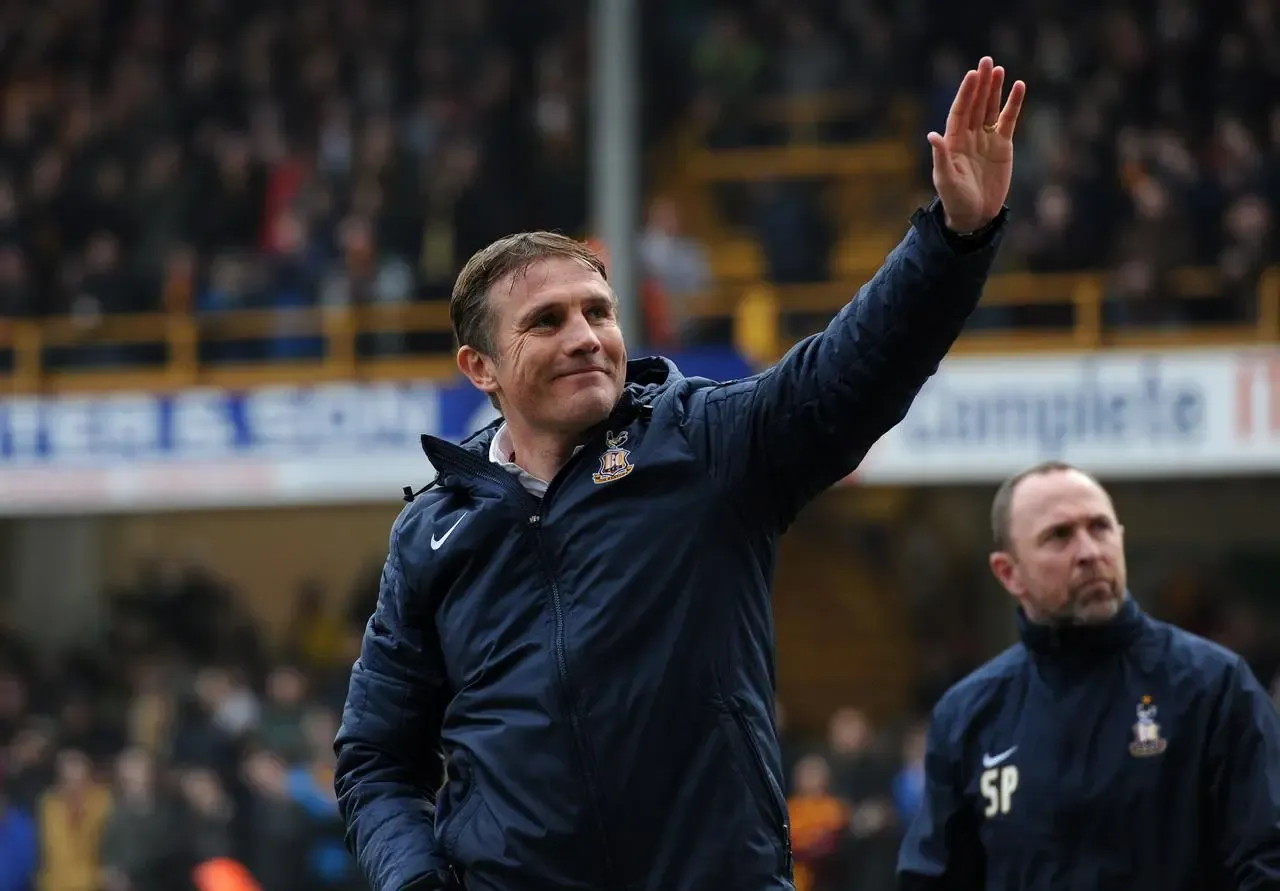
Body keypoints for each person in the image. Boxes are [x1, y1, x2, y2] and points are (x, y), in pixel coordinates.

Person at [335, 57, 1025, 891]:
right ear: (480, 366)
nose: (587, 336)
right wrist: (415, 882)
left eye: (599, 311)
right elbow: (376, 757)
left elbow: (853, 371)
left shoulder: (703, 442)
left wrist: (953, 241)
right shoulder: (432, 532)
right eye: (547, 322)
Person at [897, 460, 1280, 891]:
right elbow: (931, 878)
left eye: (1099, 528)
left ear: (1120, 537)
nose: (1089, 552)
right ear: (1009, 572)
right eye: (1058, 536)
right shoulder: (968, 713)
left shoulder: (1214, 686)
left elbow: (1266, 861)